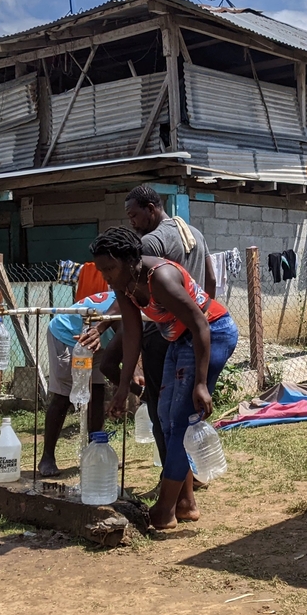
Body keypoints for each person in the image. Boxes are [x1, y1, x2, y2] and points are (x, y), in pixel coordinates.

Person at [90, 226, 237, 530]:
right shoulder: (125, 284)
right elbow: (132, 335)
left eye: (110, 268)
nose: (106, 277)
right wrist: (122, 388)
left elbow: (200, 324)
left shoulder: (161, 277)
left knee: (181, 421)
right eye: (102, 270)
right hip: (178, 340)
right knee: (164, 417)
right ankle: (184, 504)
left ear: (131, 259)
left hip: (212, 333)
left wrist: (200, 383)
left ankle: (165, 509)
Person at [115, 185, 215, 482]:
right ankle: (190, 475)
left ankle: (173, 480)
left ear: (151, 208)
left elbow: (134, 291)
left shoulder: (150, 242)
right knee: (185, 408)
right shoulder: (194, 233)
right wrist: (201, 316)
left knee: (163, 411)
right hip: (194, 331)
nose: (132, 221)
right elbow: (210, 280)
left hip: (162, 334)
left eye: (134, 215)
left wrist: (104, 325)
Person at [38, 288, 119, 477]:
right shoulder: (126, 300)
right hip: (68, 336)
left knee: (97, 393)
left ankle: (96, 453)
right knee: (64, 396)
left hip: (96, 341)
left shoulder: (143, 300)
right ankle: (47, 457)